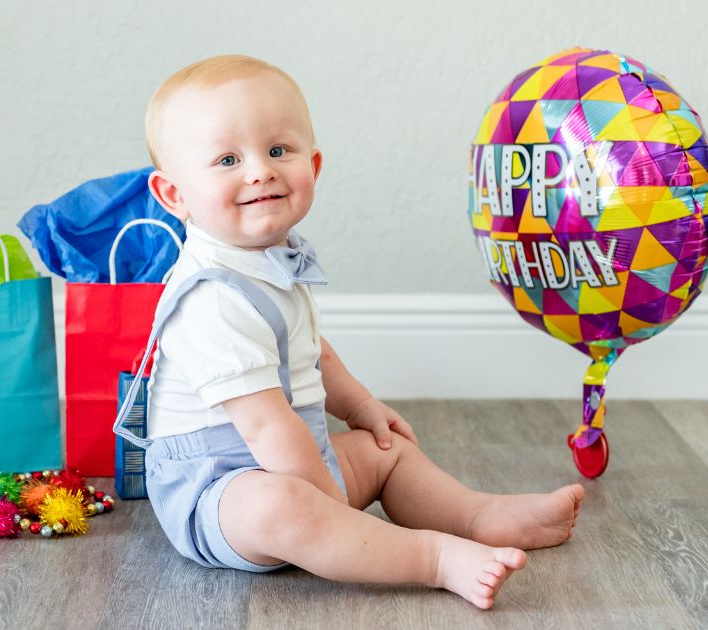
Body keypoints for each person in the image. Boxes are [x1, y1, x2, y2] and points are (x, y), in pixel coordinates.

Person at [113, 54, 584, 610]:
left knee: (387, 452)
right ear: (174, 196)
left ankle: (478, 514)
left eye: (278, 150)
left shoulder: (269, 259)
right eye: (227, 159)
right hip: (217, 488)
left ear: (313, 165)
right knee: (285, 507)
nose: (260, 170)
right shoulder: (209, 296)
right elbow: (266, 427)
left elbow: (314, 355)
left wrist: (360, 407)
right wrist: (330, 504)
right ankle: (432, 557)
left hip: (294, 452)